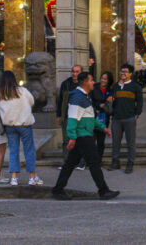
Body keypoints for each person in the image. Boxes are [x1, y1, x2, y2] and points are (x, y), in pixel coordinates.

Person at [51, 72, 119, 201]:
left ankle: (58, 190)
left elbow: (88, 117)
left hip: (82, 134)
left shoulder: (83, 96)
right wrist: (72, 137)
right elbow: (72, 118)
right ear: (84, 82)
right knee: (93, 162)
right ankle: (103, 191)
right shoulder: (78, 97)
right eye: (91, 80)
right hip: (82, 135)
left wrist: (102, 128)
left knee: (70, 164)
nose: (94, 82)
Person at [0, 70, 42, 187]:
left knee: (13, 151)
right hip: (24, 124)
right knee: (29, 150)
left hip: (9, 126)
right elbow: (32, 102)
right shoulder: (23, 91)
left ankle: (14, 178)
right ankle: (32, 177)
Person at [109, 63, 143, 173]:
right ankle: (115, 162)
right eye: (121, 71)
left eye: (125, 72)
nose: (122, 73)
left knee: (130, 142)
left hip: (129, 118)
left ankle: (130, 163)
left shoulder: (135, 87)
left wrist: (137, 114)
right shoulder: (115, 86)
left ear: (130, 74)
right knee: (115, 142)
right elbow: (112, 99)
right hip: (116, 118)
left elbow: (140, 102)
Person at [56, 64, 82, 168]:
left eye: (77, 72)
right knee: (66, 140)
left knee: (80, 140)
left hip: (80, 117)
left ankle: (80, 162)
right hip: (67, 117)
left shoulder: (84, 84)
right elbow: (60, 100)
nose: (74, 74)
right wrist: (59, 115)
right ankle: (67, 162)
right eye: (73, 71)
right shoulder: (65, 84)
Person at [90, 71, 113, 161]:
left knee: (100, 141)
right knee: (91, 140)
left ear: (109, 80)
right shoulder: (94, 87)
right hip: (93, 117)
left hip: (104, 118)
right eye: (102, 78)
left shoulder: (110, 91)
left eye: (105, 79)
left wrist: (108, 102)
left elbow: (111, 105)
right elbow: (90, 100)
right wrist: (99, 104)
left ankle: (98, 160)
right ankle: (89, 160)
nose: (103, 80)